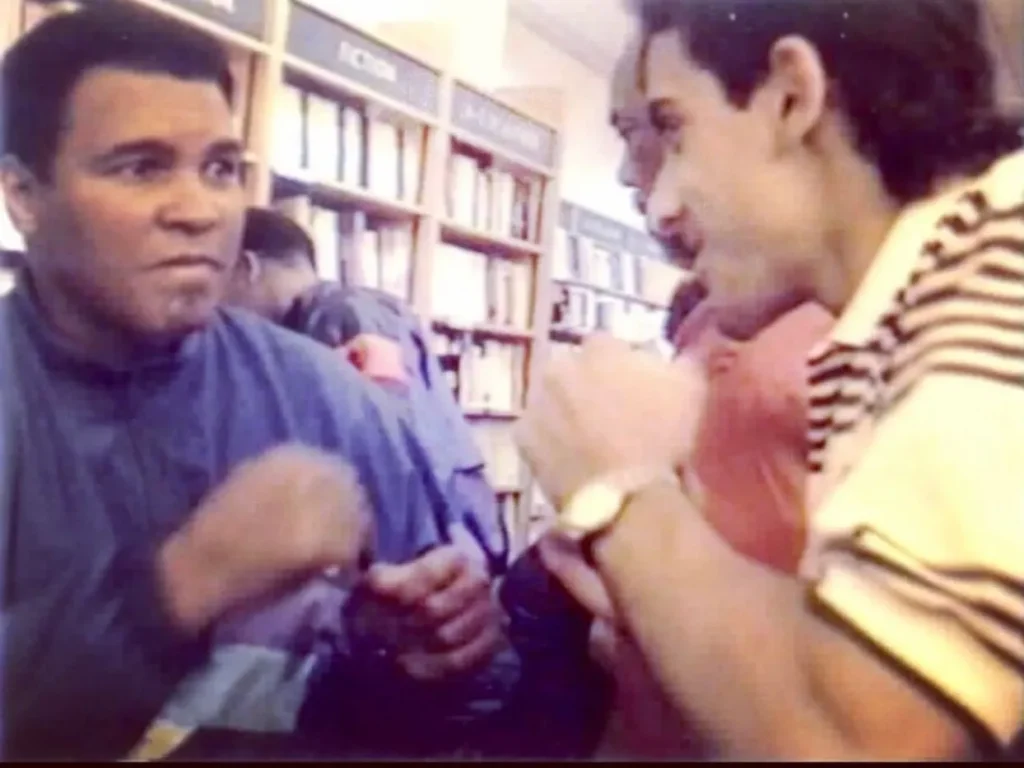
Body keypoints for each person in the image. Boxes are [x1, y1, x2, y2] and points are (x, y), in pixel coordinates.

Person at [0, 3, 509, 760]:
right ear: (24, 196)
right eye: (141, 167)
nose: (200, 209)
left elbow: (466, 704)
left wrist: (414, 659)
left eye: (221, 169)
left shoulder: (330, 402)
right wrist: (179, 589)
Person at [521, 0, 1024, 759]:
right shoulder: (907, 310)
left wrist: (618, 493)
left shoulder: (996, 272)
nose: (660, 205)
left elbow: (857, 741)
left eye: (676, 128)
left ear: (793, 95)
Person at [228, 207, 508, 572]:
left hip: (429, 547)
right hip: (445, 532)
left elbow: (384, 445)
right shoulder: (346, 311)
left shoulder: (339, 316)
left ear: (247, 268)